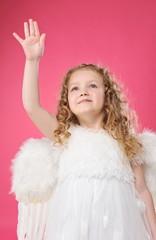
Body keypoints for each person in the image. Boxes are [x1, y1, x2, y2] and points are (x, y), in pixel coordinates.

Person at [12, 19, 156, 240]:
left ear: (108, 96)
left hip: (117, 228)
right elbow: (32, 106)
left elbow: (143, 191)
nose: (83, 91)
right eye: (75, 88)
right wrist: (32, 61)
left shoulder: (126, 142)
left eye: (93, 85)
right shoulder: (65, 135)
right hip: (71, 227)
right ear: (67, 100)